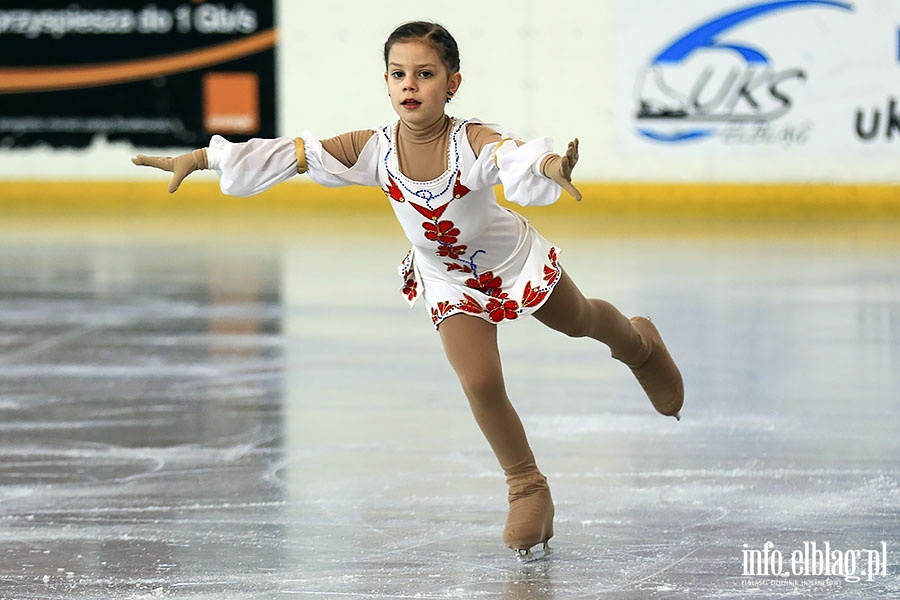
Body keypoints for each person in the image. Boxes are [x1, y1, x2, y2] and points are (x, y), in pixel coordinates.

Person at [132, 21, 684, 560]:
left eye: (424, 73)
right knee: (481, 381)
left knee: (581, 319)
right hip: (447, 279)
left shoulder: (470, 141)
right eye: (398, 74)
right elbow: (295, 153)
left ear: (453, 82)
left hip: (509, 261)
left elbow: (509, 154)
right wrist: (204, 158)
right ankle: (527, 487)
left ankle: (638, 345)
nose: (409, 85)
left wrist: (549, 164)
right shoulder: (375, 148)